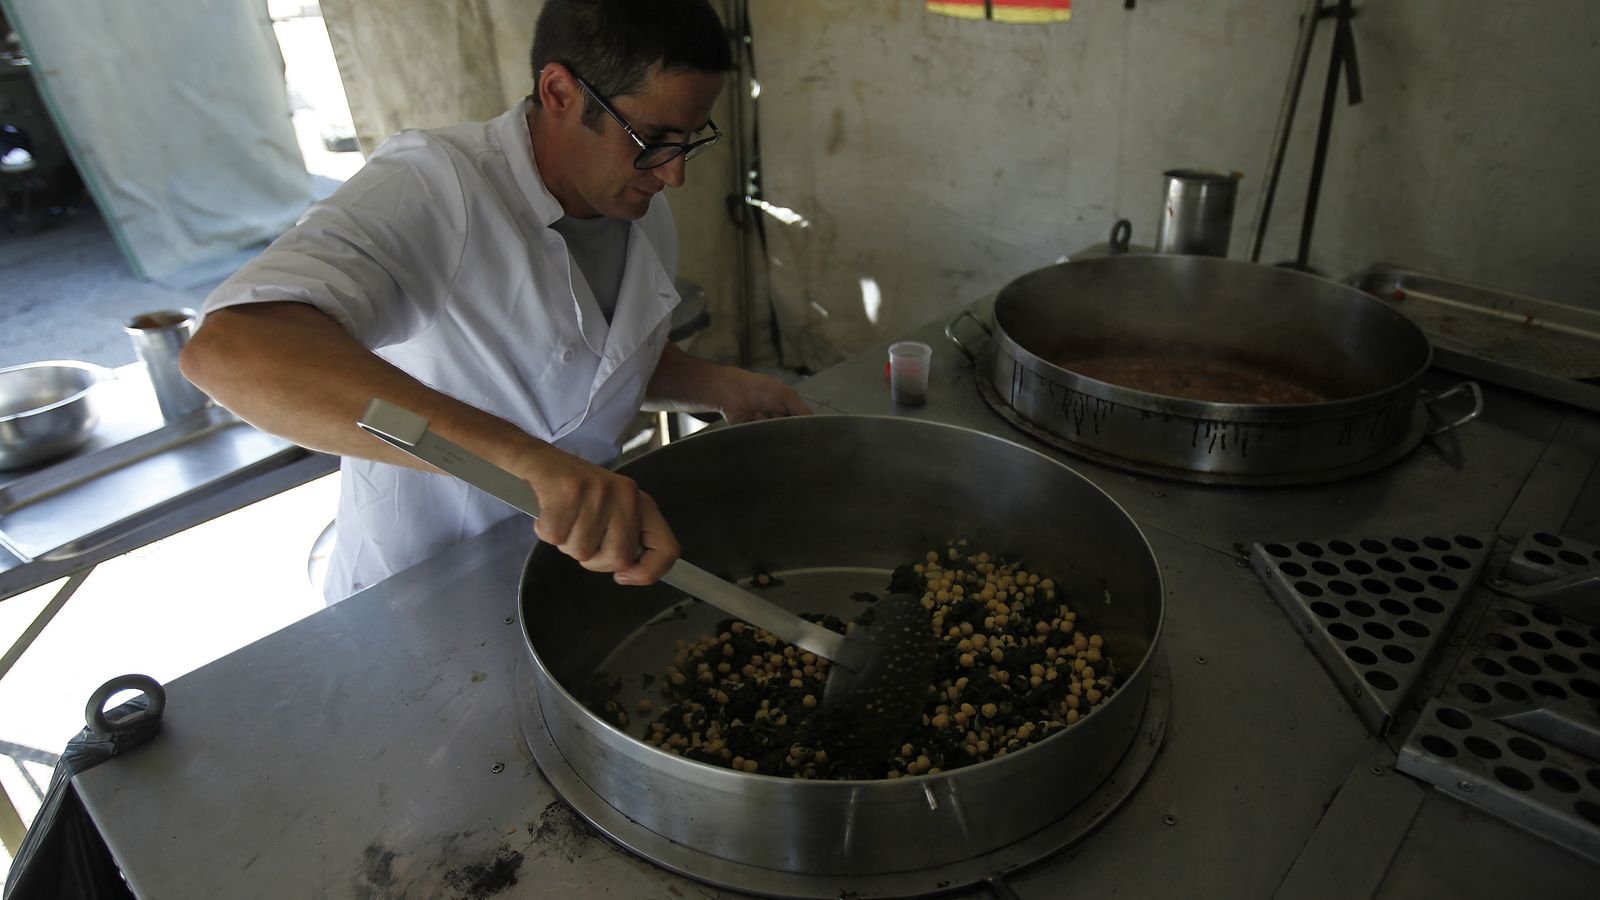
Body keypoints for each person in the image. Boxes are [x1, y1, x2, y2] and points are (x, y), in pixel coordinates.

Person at [180, 0, 808, 603]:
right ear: (560, 92)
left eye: (690, 140)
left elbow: (596, 357)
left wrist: (718, 386)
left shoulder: (637, 203)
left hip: (570, 573)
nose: (674, 174)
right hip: (423, 588)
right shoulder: (435, 184)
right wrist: (522, 461)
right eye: (651, 138)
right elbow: (233, 350)